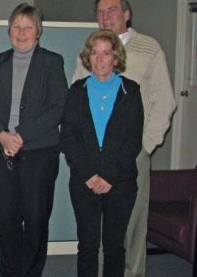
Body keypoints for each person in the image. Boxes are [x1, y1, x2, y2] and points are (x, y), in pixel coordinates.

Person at [72, 0, 176, 277]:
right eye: (100, 11)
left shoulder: (149, 48)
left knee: (129, 229)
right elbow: (75, 106)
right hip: (92, 157)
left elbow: (164, 102)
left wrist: (145, 146)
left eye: (112, 10)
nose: (105, 16)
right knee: (92, 236)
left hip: (132, 154)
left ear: (126, 14)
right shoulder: (91, 48)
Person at [0, 3, 68, 277]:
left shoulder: (52, 61)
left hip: (39, 152)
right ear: (9, 31)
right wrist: (3, 135)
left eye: (28, 26)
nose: (22, 32)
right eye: (16, 26)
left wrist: (21, 135)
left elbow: (58, 107)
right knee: (7, 220)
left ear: (38, 32)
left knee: (36, 220)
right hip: (0, 151)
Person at [62, 29, 144, 277]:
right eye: (94, 53)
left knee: (114, 246)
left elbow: (133, 140)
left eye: (106, 53)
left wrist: (109, 175)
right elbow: (68, 137)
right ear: (88, 57)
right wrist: (88, 173)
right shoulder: (77, 90)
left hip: (120, 182)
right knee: (87, 245)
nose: (99, 59)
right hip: (83, 180)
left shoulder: (131, 92)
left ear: (116, 58)